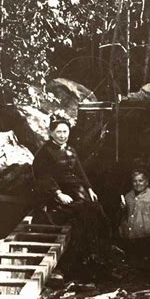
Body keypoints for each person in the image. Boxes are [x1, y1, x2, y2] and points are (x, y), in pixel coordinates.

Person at [32, 112, 109, 261]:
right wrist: (58, 193)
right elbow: (43, 177)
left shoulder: (70, 150)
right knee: (85, 210)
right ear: (51, 133)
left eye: (65, 132)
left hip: (75, 190)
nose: (62, 135)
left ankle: (99, 251)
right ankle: (89, 254)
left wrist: (89, 189)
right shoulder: (44, 153)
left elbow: (79, 171)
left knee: (96, 208)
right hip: (55, 193)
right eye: (58, 132)